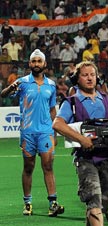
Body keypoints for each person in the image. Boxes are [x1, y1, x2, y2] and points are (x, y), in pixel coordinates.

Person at [51, 61, 108, 226]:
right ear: (77, 79)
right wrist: (81, 139)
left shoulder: (106, 99)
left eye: (93, 74)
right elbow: (58, 124)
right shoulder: (71, 101)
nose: (90, 78)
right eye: (85, 75)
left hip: (106, 156)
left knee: (101, 203)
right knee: (94, 198)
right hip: (85, 158)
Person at [0, 49, 64, 217]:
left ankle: (53, 203)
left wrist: (55, 132)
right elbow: (3, 94)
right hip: (28, 132)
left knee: (48, 166)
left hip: (46, 132)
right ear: (29, 64)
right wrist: (10, 88)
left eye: (39, 61)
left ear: (44, 64)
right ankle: (27, 202)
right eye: (33, 61)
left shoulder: (51, 84)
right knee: (28, 167)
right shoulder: (22, 82)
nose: (36, 64)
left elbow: (52, 110)